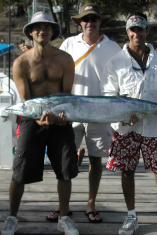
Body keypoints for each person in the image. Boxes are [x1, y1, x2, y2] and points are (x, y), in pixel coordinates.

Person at [20, 3, 122, 223]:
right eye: (86, 19)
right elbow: (50, 60)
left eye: (94, 19)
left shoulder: (114, 47)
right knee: (63, 160)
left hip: (100, 113)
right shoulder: (69, 43)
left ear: (100, 22)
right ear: (80, 23)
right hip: (69, 113)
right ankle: (63, 206)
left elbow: (121, 78)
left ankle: (91, 203)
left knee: (96, 160)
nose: (90, 23)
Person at [101, 12, 157, 235]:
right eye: (133, 30)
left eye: (141, 29)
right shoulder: (115, 61)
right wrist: (124, 115)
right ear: (127, 32)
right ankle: (131, 216)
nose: (137, 33)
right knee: (127, 170)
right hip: (126, 127)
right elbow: (109, 95)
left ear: (147, 31)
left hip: (155, 127)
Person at [1, 12, 79, 235]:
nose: (41, 31)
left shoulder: (65, 59)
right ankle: (12, 217)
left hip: (61, 120)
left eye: (46, 27)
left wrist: (58, 117)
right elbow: (27, 101)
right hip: (31, 120)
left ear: (53, 31)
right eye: (37, 28)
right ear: (30, 33)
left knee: (65, 170)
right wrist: (39, 118)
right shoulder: (21, 63)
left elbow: (66, 94)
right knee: (20, 171)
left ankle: (64, 217)